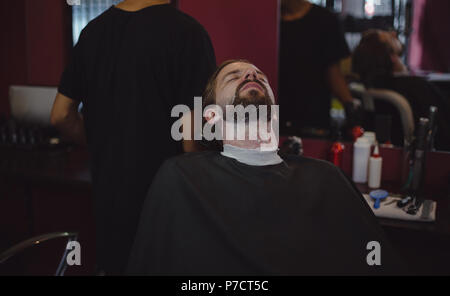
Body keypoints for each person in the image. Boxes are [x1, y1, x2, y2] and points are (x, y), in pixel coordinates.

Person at [127, 60, 405, 275]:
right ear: (211, 116)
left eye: (260, 76)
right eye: (234, 76)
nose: (251, 75)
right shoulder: (181, 178)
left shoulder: (326, 178)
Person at [50, 0, 216, 275]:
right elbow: (192, 140)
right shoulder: (189, 34)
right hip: (166, 211)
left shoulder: (93, 31)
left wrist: (103, 140)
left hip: (110, 208)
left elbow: (61, 115)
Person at [279, 0, 356, 135]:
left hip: (313, 121)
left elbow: (333, 73)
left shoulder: (324, 21)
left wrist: (350, 105)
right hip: (274, 120)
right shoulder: (268, 22)